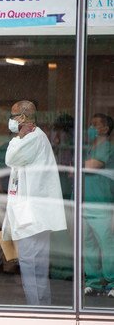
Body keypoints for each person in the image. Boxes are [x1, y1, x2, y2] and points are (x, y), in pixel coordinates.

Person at [1, 100, 67, 305]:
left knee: (30, 264)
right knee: (37, 264)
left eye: (13, 116)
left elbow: (10, 157)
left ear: (22, 118)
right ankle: (42, 307)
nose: (11, 121)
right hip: (32, 213)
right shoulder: (33, 138)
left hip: (32, 215)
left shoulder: (33, 138)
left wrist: (17, 138)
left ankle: (35, 309)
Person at [83, 113, 114, 297]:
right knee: (88, 245)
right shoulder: (89, 148)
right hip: (85, 204)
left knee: (107, 245)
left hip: (102, 205)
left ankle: (111, 282)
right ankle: (93, 282)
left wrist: (75, 164)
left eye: (95, 125)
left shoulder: (107, 147)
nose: (90, 128)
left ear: (105, 129)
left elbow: (92, 165)